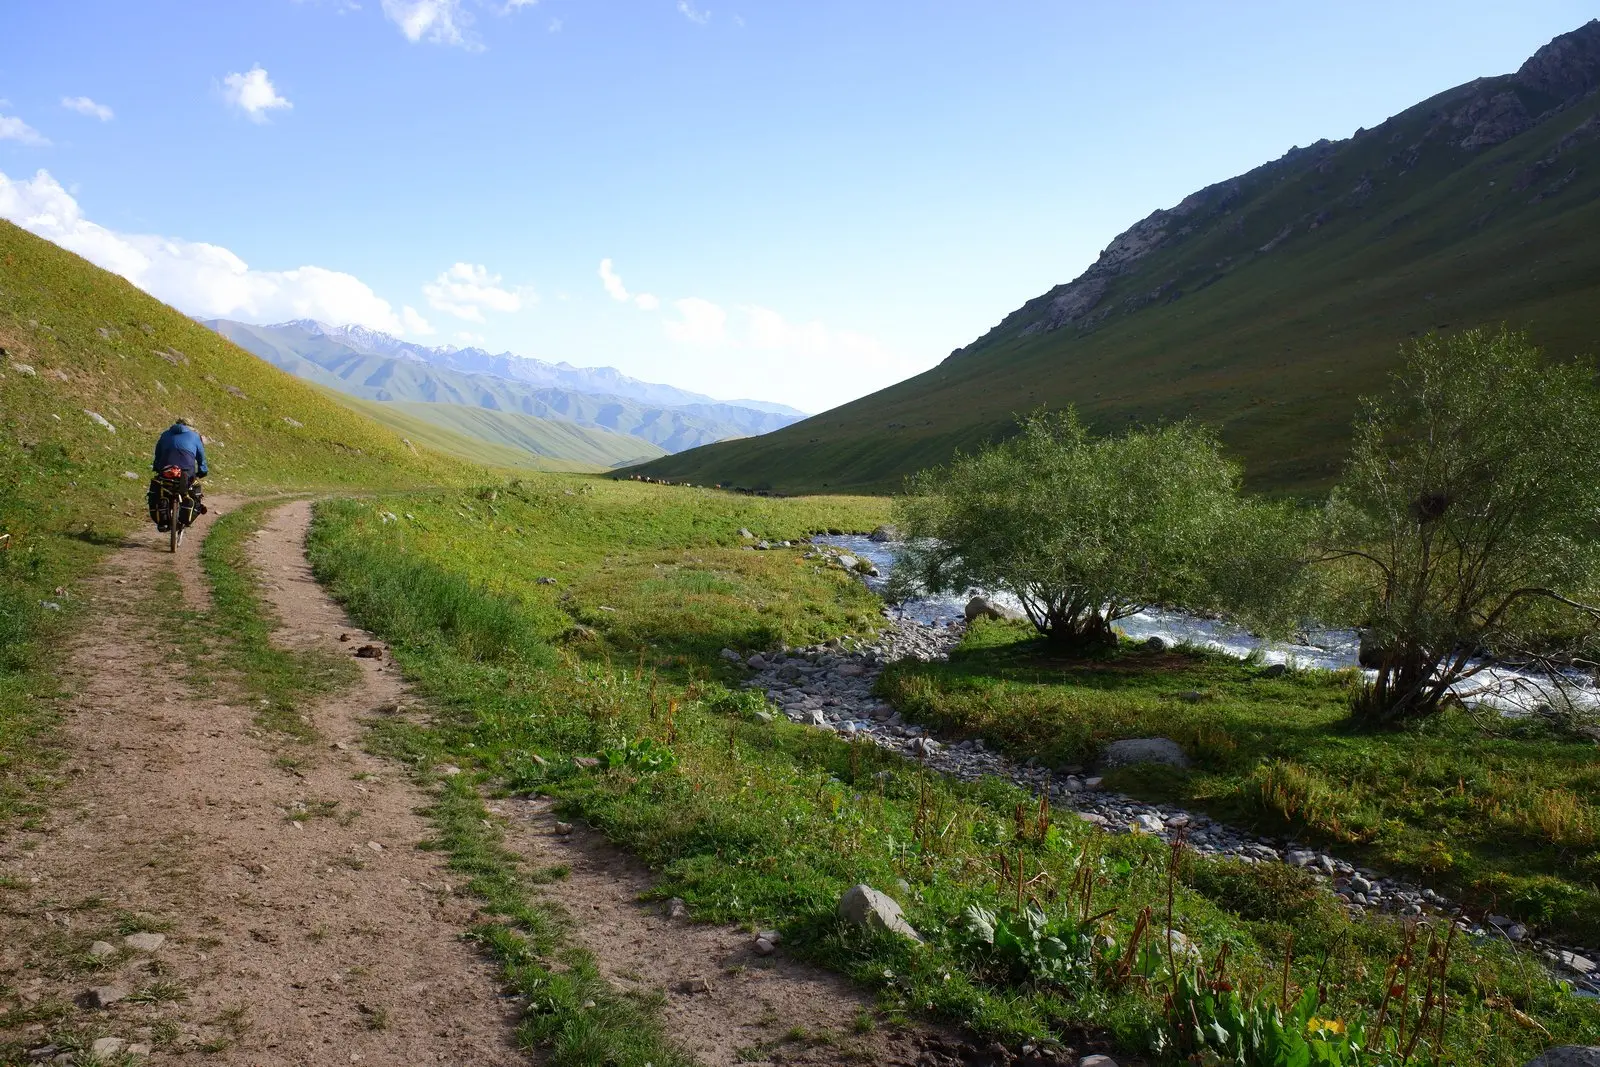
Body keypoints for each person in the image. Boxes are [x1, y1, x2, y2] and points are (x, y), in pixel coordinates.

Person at [147, 418, 209, 530]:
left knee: (162, 489)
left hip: (167, 471)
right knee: (192, 490)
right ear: (188, 427)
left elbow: (158, 455)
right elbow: (201, 457)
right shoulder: (194, 436)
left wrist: (157, 467)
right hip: (186, 472)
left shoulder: (165, 435)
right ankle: (185, 518)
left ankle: (163, 520)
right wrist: (202, 470)